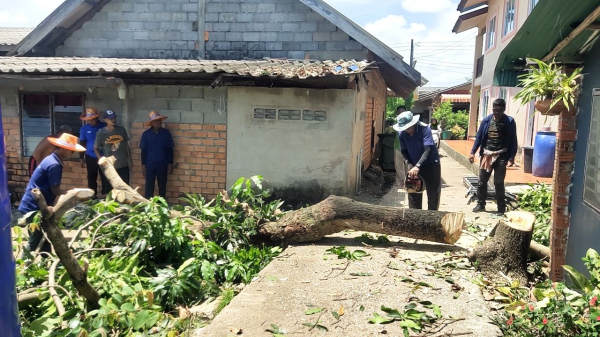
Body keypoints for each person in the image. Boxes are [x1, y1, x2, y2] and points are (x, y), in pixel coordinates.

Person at [18, 133, 86, 254]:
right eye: (71, 151)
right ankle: (21, 265)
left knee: (44, 241)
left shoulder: (52, 159)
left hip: (36, 206)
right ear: (65, 149)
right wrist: (73, 194)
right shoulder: (54, 164)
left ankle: (47, 264)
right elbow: (55, 190)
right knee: (34, 241)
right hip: (33, 208)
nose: (72, 154)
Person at [469, 98, 518, 215]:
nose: (496, 113)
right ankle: (481, 204)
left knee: (498, 183)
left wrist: (511, 157)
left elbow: (513, 141)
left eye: (499, 110)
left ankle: (501, 208)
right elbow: (479, 137)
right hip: (486, 155)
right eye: (495, 110)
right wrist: (472, 152)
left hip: (501, 155)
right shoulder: (486, 121)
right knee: (482, 181)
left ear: (504, 109)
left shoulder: (510, 121)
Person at [394, 111, 442, 210]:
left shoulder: (424, 129)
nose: (407, 130)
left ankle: (432, 217)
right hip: (413, 163)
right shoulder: (401, 133)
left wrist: (418, 166)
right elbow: (404, 151)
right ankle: (415, 216)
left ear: (414, 123)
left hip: (430, 164)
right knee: (413, 190)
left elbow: (427, 149)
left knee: (433, 192)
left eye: (409, 127)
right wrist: (410, 165)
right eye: (405, 128)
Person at [139, 111, 174, 199]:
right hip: (150, 164)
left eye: (159, 120)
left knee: (162, 185)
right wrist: (143, 165)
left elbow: (170, 149)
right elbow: (143, 151)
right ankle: (148, 204)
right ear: (152, 123)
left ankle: (161, 204)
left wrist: (170, 163)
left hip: (163, 163)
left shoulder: (166, 133)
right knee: (149, 185)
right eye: (156, 121)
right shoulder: (146, 135)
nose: (158, 122)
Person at [94, 110, 134, 188]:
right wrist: (101, 160)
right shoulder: (102, 133)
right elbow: (95, 147)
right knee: (110, 190)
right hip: (110, 166)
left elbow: (126, 146)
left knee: (125, 187)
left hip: (123, 164)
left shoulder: (121, 130)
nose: (113, 120)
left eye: (114, 118)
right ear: (105, 120)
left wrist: (130, 160)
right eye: (110, 118)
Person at [79, 107, 107, 197]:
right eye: (88, 120)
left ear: (97, 118)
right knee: (91, 177)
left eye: (92, 120)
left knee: (105, 177)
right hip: (90, 156)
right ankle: (92, 196)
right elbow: (82, 143)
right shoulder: (84, 129)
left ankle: (105, 195)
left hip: (104, 156)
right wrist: (81, 158)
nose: (90, 122)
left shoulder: (104, 126)